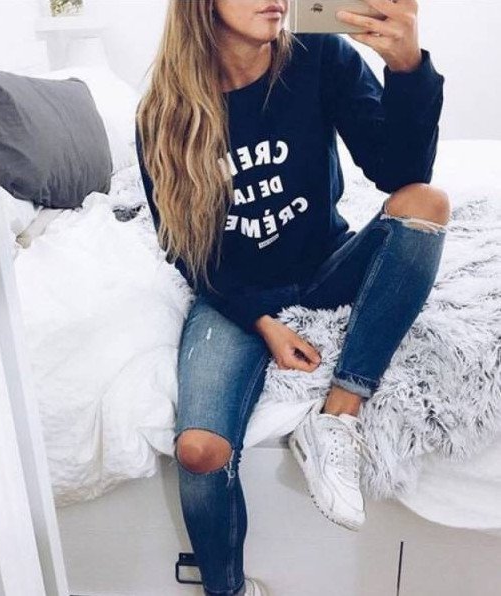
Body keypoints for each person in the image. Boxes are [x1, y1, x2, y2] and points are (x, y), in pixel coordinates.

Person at [135, 1, 448, 594]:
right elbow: (183, 248)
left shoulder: (318, 55)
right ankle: (226, 588)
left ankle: (337, 417)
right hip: (236, 292)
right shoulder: (163, 111)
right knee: (198, 450)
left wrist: (407, 69)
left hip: (324, 265)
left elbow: (400, 174)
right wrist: (261, 321)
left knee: (426, 204)